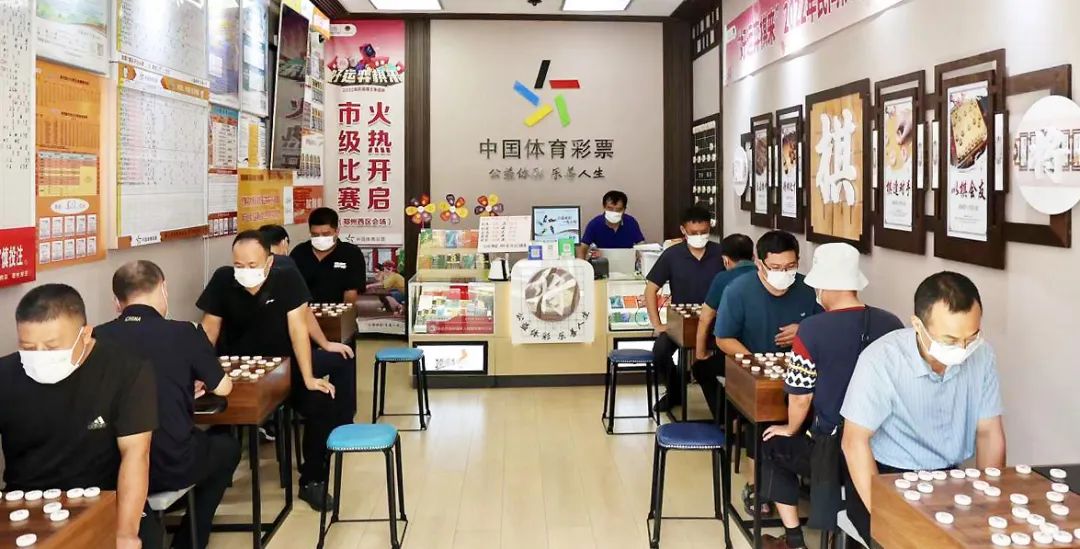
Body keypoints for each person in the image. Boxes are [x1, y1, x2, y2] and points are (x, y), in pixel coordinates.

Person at [756, 244, 903, 549]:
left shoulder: (811, 329)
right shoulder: (891, 323)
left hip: (831, 449)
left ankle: (793, 538)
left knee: (771, 444)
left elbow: (800, 396)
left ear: (822, 286)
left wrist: (789, 428)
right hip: (885, 446)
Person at [841, 272, 1005, 542]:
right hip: (885, 477)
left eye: (972, 336)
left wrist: (988, 498)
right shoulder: (881, 360)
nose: (963, 348)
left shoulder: (982, 355)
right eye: (950, 340)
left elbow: (989, 433)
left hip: (951, 479)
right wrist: (883, 515)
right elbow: (854, 443)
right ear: (917, 325)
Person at [197, 231, 354, 511]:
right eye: (239, 265)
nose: (245, 271)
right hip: (237, 371)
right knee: (215, 417)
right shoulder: (222, 280)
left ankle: (313, 480)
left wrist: (308, 377)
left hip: (284, 368)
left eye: (252, 265)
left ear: (269, 262)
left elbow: (298, 329)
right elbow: (209, 330)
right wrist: (200, 373)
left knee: (320, 403)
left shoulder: (287, 278)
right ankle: (204, 486)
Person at [96, 261, 240, 549]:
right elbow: (223, 387)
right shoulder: (185, 332)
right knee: (227, 448)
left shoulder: (95, 338)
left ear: (116, 302)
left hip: (111, 471)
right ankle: (189, 541)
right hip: (172, 464)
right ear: (164, 289)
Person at [0, 284, 156, 549]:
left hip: (104, 497)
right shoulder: (5, 374)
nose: (39, 356)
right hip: (25, 503)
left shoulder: (126, 371)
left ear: (84, 334)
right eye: (28, 347)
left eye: (51, 347)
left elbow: (136, 454)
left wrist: (125, 532)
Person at [714, 230, 820, 516]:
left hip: (800, 377)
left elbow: (824, 329)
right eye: (775, 268)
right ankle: (757, 487)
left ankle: (803, 483)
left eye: (790, 267)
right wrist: (756, 363)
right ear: (759, 263)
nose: (784, 274)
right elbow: (723, 338)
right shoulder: (738, 290)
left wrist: (805, 330)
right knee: (760, 422)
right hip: (753, 376)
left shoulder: (807, 289)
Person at [645, 205, 726, 413]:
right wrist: (657, 324)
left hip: (717, 323)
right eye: (693, 232)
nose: (699, 236)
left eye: (703, 232)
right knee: (660, 352)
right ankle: (674, 392)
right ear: (683, 230)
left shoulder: (721, 253)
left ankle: (724, 409)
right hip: (681, 323)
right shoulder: (672, 255)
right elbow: (651, 289)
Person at [690, 233, 756, 419]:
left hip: (735, 352)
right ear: (753, 256)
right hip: (767, 352)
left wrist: (700, 354)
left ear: (725, 260)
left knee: (701, 369)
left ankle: (725, 419)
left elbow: (705, 318)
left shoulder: (723, 279)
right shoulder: (763, 275)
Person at [290, 207, 367, 304]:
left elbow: (351, 293)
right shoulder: (299, 253)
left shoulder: (351, 253)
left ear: (337, 231)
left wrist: (343, 312)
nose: (320, 238)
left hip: (339, 310)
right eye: (315, 234)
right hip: (305, 311)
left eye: (326, 234)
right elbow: (292, 289)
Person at [576, 190, 646, 258]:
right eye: (610, 208)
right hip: (602, 263)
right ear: (604, 207)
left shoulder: (631, 222)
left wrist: (639, 255)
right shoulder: (594, 224)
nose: (614, 212)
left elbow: (641, 245)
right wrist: (582, 264)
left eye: (618, 209)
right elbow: (582, 248)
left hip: (627, 262)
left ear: (624, 209)